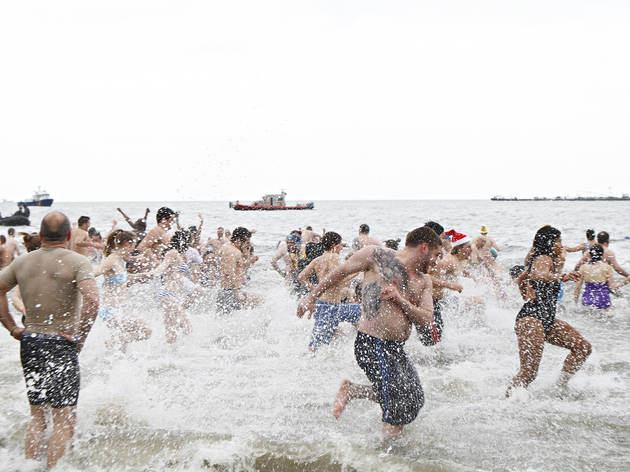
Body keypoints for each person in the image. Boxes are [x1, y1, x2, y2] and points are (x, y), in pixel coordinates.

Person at [297, 227, 442, 440]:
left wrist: (400, 300)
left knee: (414, 398)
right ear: (424, 247)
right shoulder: (377, 255)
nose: (437, 261)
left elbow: (427, 319)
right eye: (437, 255)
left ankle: (353, 391)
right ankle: (388, 455)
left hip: (395, 347)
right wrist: (312, 296)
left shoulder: (423, 280)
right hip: (372, 342)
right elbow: (341, 272)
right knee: (397, 400)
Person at [0, 211, 99, 469]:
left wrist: (12, 328)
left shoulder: (22, 262)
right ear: (68, 235)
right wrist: (80, 337)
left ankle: (29, 467)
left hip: (30, 341)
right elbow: (93, 300)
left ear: (41, 235)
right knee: (64, 418)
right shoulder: (77, 262)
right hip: (61, 342)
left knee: (38, 416)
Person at [506, 226, 591, 397]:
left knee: (582, 347)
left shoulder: (541, 258)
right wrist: (562, 277)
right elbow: (538, 274)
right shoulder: (544, 258)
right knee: (528, 373)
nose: (561, 244)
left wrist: (527, 294)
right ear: (551, 243)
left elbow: (523, 278)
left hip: (545, 319)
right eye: (559, 241)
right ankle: (505, 402)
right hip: (532, 319)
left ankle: (559, 387)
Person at [298, 232, 360, 351]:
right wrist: (356, 272)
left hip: (326, 305)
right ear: (333, 246)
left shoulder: (317, 260)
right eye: (340, 245)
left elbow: (301, 277)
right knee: (313, 350)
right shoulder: (334, 257)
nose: (341, 248)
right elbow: (337, 278)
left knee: (363, 314)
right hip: (330, 307)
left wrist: (313, 292)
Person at [94, 230, 152, 351]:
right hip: (111, 311)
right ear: (127, 244)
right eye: (134, 245)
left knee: (122, 349)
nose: (134, 248)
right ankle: (111, 342)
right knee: (146, 331)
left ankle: (112, 363)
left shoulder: (120, 259)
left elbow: (125, 276)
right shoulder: (112, 259)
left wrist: (144, 275)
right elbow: (94, 273)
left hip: (120, 309)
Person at [418, 223, 463, 346]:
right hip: (427, 301)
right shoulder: (424, 255)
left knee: (433, 337)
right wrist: (448, 285)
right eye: (442, 237)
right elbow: (424, 277)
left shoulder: (433, 252)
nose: (443, 240)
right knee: (432, 339)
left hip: (433, 301)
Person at [150, 230, 193, 343]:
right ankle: (188, 352)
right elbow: (164, 265)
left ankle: (165, 356)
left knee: (171, 334)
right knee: (187, 328)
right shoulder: (172, 253)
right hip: (169, 294)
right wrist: (156, 272)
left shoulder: (176, 254)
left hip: (171, 295)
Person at [217, 227, 260, 315]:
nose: (247, 245)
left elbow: (239, 267)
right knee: (263, 302)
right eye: (246, 242)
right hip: (230, 293)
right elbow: (228, 273)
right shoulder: (232, 251)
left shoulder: (229, 245)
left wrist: (250, 260)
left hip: (229, 291)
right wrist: (237, 295)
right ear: (239, 240)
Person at [574, 244, 615, 310]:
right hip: (603, 298)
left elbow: (578, 287)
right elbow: (611, 287)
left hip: (588, 298)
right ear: (602, 254)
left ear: (590, 255)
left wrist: (575, 301)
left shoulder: (583, 267)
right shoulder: (607, 267)